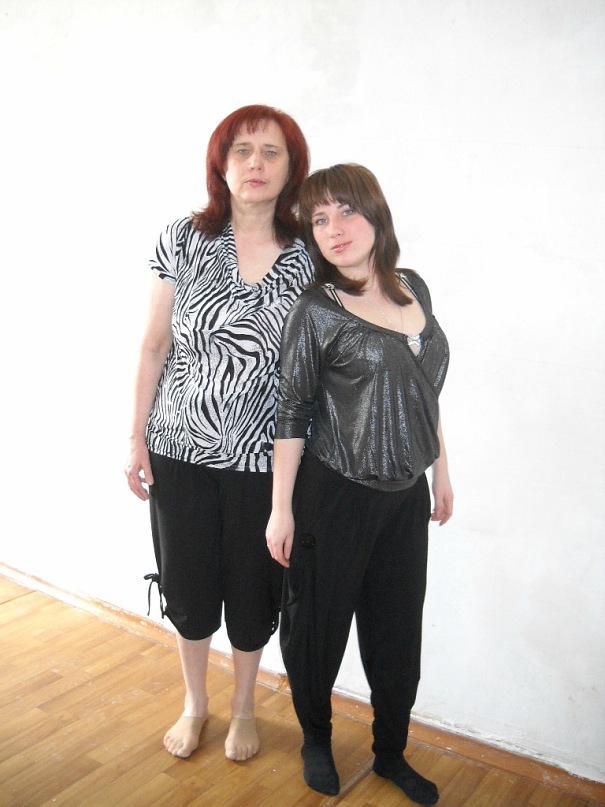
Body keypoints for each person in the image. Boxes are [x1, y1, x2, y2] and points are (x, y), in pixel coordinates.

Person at [125, 105, 314, 763]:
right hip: (178, 450)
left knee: (254, 590)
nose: (255, 163)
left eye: (271, 152)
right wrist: (135, 436)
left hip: (267, 461)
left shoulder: (311, 253)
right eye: (242, 150)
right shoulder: (183, 238)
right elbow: (153, 345)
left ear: (290, 169)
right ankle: (194, 703)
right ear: (221, 164)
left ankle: (243, 709)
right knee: (189, 585)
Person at [266, 164, 452, 804]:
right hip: (333, 495)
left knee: (397, 632)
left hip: (405, 498)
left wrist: (441, 469)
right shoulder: (317, 310)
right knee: (317, 628)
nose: (334, 228)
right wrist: (281, 510)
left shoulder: (414, 287)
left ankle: (390, 753)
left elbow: (425, 391)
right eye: (319, 219)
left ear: (376, 214)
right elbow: (291, 411)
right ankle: (315, 739)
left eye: (346, 211)